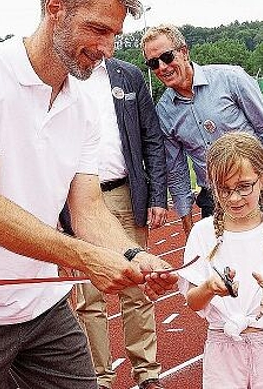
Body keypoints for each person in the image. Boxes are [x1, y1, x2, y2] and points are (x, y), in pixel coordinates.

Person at [0, 0, 177, 389]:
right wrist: (85, 257)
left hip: (43, 307)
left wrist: (132, 256)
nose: (106, 49)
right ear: (53, 7)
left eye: (114, 34)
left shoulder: (83, 104)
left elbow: (89, 209)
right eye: (97, 29)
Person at [141, 23, 263, 387]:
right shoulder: (165, 111)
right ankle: (229, 336)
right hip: (213, 196)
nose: (162, 68)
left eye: (167, 57)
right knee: (221, 273)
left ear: (184, 51)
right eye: (153, 64)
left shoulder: (230, 79)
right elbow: (175, 165)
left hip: (258, 187)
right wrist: (185, 212)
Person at [177, 132, 263, 388]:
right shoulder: (202, 233)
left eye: (243, 187)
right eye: (224, 189)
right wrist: (209, 287)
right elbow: (193, 302)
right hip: (221, 347)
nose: (233, 198)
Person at [61, 56, 168, 389]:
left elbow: (152, 139)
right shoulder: (59, 75)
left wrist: (157, 196)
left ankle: (147, 373)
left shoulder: (129, 75)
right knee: (89, 298)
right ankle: (100, 377)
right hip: (77, 196)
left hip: (125, 191)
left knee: (137, 287)